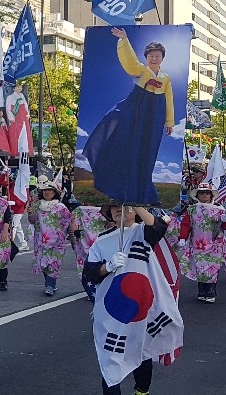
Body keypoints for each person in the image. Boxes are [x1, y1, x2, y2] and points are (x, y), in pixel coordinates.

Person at [83, 202, 181, 395]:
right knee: (110, 351)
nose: (120, 210)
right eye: (115, 207)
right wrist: (107, 267)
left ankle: (142, 392)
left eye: (126, 207)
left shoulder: (143, 232)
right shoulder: (102, 240)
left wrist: (136, 203)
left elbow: (157, 227)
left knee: (140, 348)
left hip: (142, 303)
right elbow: (89, 272)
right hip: (113, 306)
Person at [81, 28, 175, 205]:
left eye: (157, 55)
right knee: (127, 140)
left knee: (148, 148)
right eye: (151, 55)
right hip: (137, 107)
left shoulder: (166, 78)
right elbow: (130, 62)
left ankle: (142, 186)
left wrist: (169, 121)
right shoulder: (141, 70)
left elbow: (169, 99)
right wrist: (124, 40)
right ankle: (118, 181)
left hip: (155, 113)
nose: (154, 58)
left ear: (162, 57)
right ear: (146, 57)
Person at [182, 183, 226, 304]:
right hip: (198, 243)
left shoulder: (220, 209)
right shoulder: (192, 209)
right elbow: (186, 225)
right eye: (201, 193)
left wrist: (225, 220)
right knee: (200, 267)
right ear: (197, 195)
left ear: (211, 195)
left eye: (207, 193)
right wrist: (182, 237)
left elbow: (225, 227)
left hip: (215, 244)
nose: (204, 195)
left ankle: (210, 291)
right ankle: (202, 291)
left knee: (212, 267)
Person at [27, 177, 72, 296]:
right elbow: (32, 221)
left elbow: (68, 221)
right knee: (43, 263)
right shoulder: (37, 205)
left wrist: (69, 235)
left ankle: (49, 285)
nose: (47, 192)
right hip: (41, 240)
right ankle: (50, 283)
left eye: (49, 190)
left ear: (54, 193)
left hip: (57, 241)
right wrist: (30, 213)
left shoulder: (61, 207)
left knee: (53, 263)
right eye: (45, 190)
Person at [71, 204, 111, 302]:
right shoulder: (105, 209)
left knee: (85, 265)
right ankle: (97, 290)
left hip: (85, 240)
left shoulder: (79, 210)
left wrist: (73, 237)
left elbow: (73, 227)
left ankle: (91, 290)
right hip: (100, 240)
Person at [0, 83, 33, 156]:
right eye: (17, 87)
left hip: (23, 117)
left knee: (25, 133)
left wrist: (27, 114)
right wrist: (11, 117)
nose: (19, 89)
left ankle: (26, 150)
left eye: (20, 88)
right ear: (14, 88)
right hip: (15, 117)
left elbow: (25, 105)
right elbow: (8, 108)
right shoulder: (10, 97)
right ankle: (16, 151)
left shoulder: (22, 95)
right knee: (16, 134)